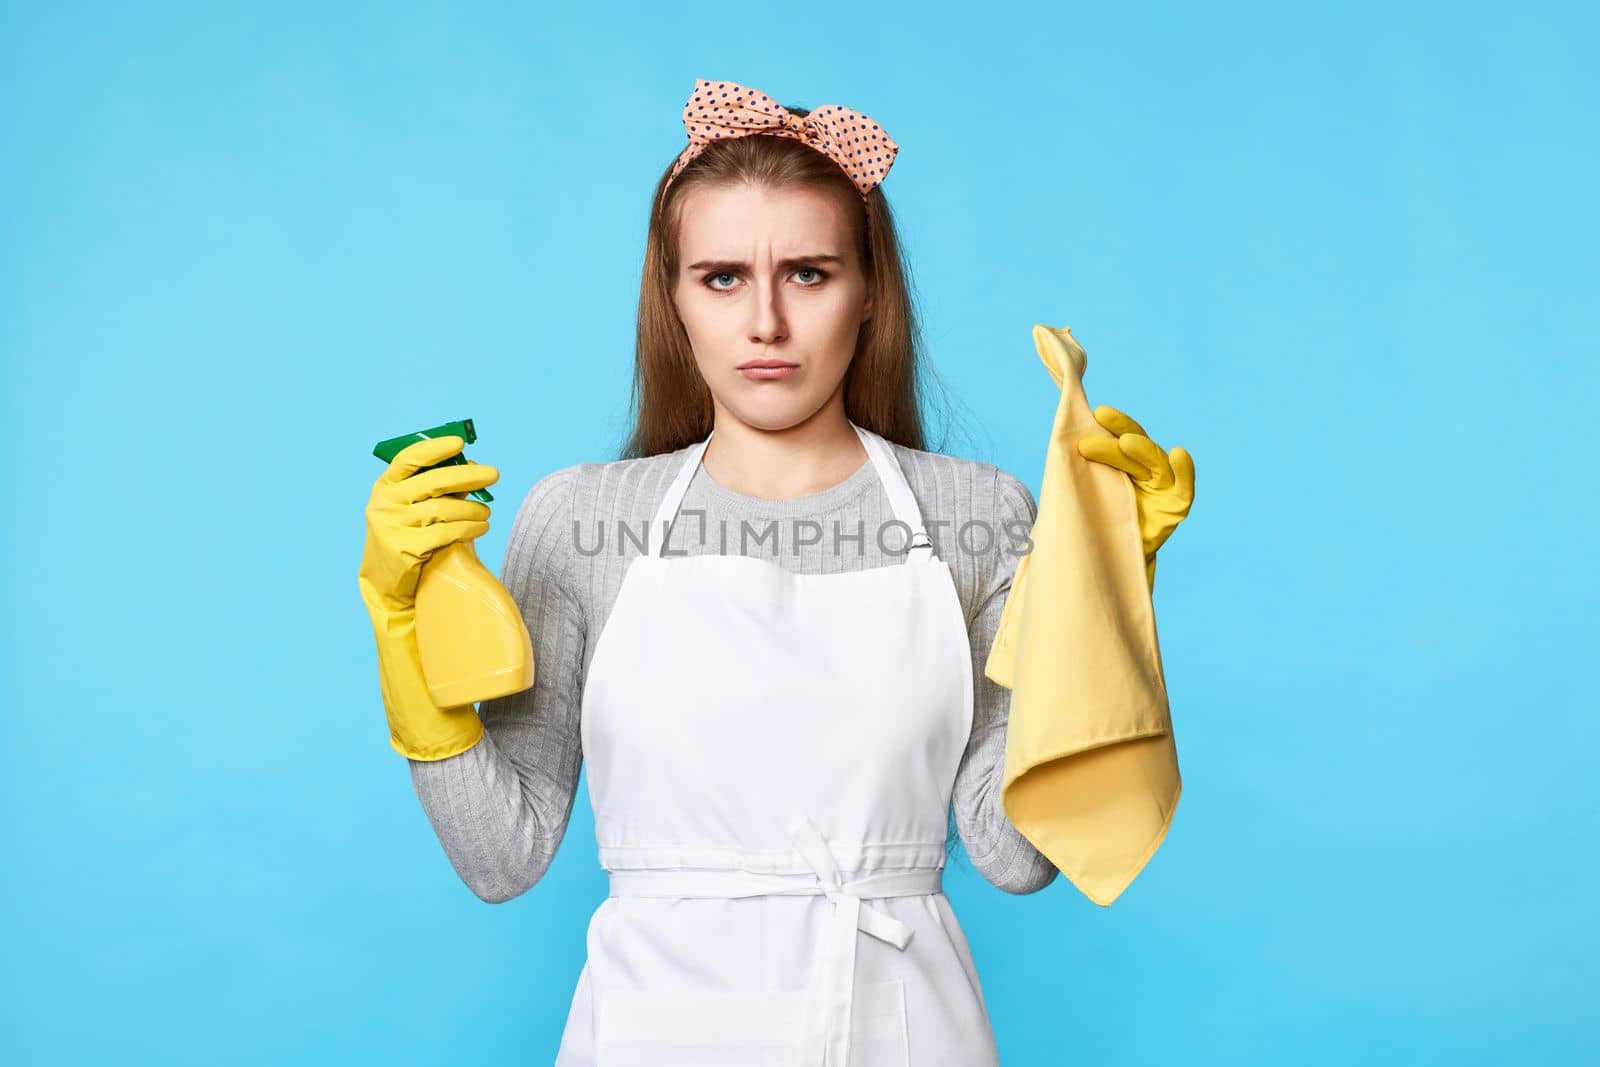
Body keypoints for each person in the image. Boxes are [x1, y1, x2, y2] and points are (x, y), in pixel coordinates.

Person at [359, 77, 1193, 1066]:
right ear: (671, 297)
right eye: (720, 277)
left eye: (807, 273)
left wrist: (1101, 595)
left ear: (869, 290)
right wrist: (404, 630)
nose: (765, 322)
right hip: (653, 1029)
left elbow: (1012, 858)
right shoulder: (584, 517)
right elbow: (502, 856)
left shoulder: (974, 513)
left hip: (901, 1025)